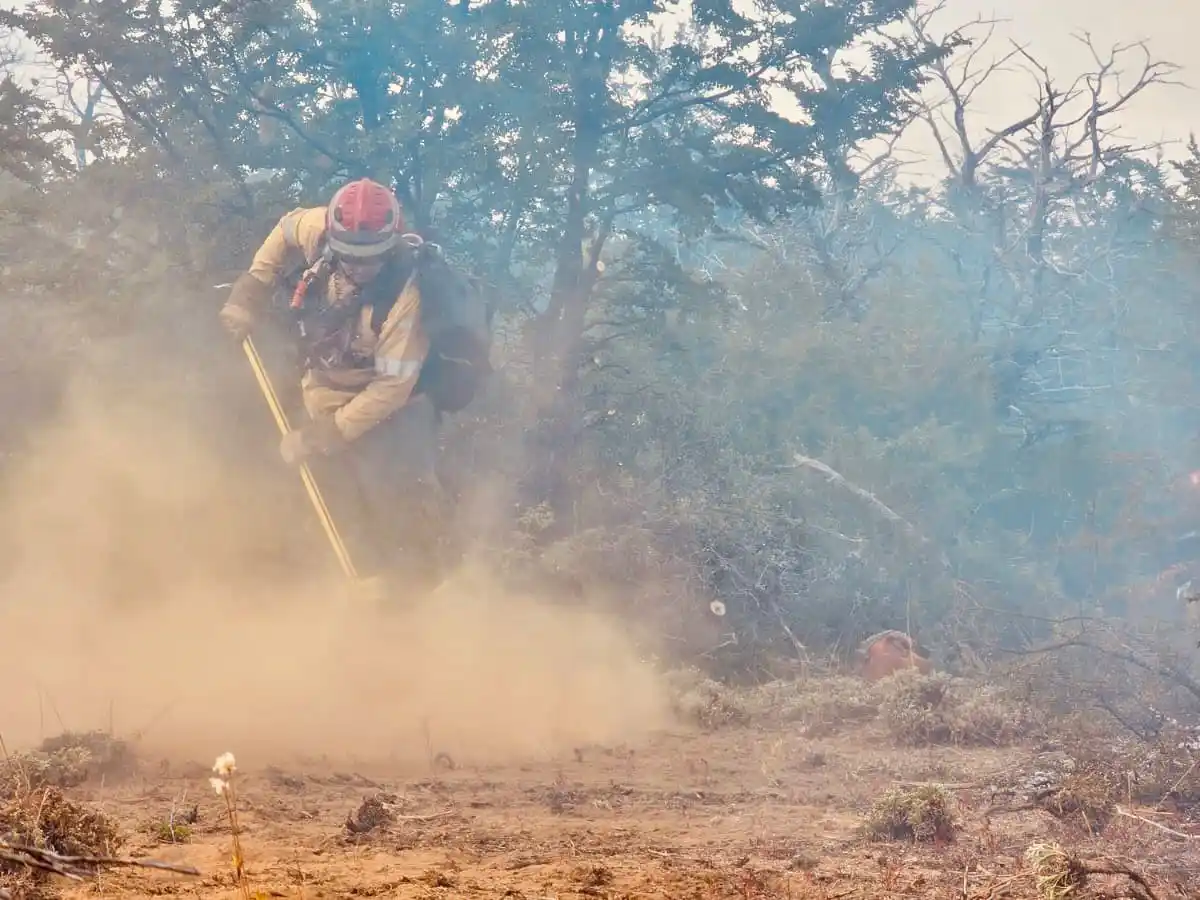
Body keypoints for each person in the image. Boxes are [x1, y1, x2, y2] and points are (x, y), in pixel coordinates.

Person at [218, 177, 492, 593]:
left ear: (391, 245)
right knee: (321, 490)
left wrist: (320, 437)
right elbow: (285, 229)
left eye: (371, 259)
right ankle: (317, 581)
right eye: (349, 256)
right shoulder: (318, 228)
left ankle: (416, 592)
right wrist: (248, 293)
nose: (358, 268)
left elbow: (391, 389)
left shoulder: (409, 297)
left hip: (399, 404)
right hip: (327, 382)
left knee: (402, 500)